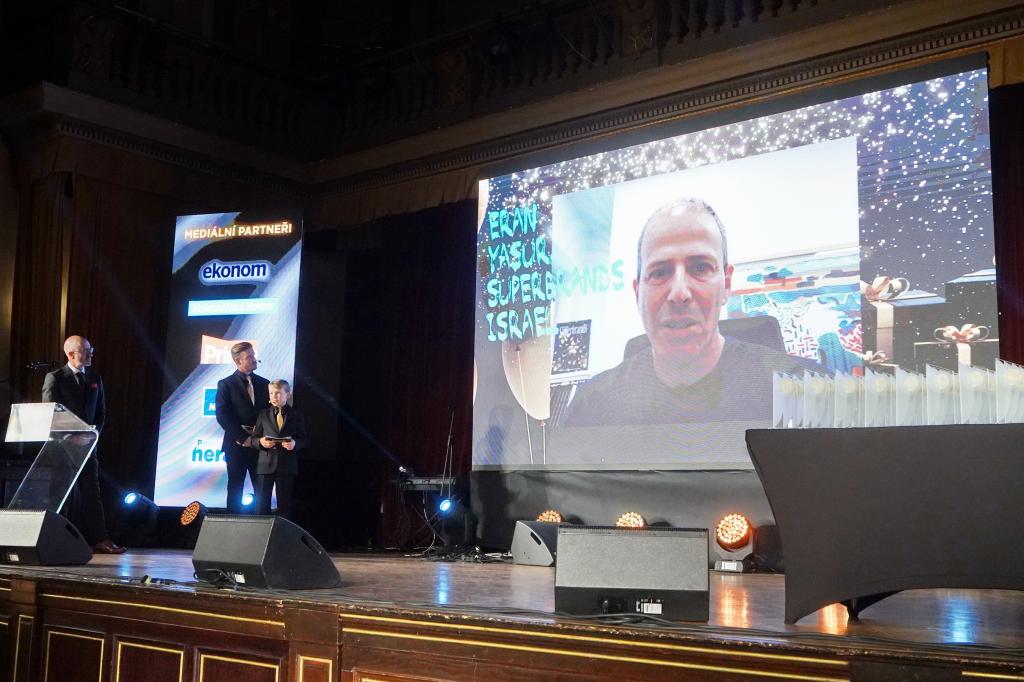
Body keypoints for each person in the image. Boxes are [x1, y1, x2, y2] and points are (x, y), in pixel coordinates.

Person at [563, 198, 816, 426]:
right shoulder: (590, 408)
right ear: (637, 293)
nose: (679, 293)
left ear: (727, 284)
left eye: (700, 268)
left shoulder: (805, 394)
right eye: (659, 272)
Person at [41, 335, 125, 554]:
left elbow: (101, 413)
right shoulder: (55, 378)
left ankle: (100, 539)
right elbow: (50, 413)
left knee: (92, 493)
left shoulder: (95, 377)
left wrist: (91, 436)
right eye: (86, 351)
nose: (90, 355)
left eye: (91, 350)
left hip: (88, 446)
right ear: (71, 354)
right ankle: (53, 540)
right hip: (62, 448)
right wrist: (71, 436)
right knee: (60, 495)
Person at [215, 342, 270, 513]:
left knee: (261, 487)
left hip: (260, 444)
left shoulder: (265, 383)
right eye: (250, 357)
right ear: (238, 361)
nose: (254, 359)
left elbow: (270, 413)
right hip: (236, 444)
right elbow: (222, 415)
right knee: (235, 486)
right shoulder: (226, 384)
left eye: (254, 355)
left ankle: (262, 523)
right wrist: (243, 438)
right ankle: (232, 524)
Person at [251, 379, 306, 519]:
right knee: (261, 504)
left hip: (286, 465)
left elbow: (303, 439)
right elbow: (254, 438)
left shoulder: (296, 414)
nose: (274, 396)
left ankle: (281, 530)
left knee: (284, 505)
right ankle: (260, 530)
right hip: (265, 464)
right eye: (271, 393)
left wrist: (294, 444)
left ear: (288, 394)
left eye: (278, 393)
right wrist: (261, 442)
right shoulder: (263, 414)